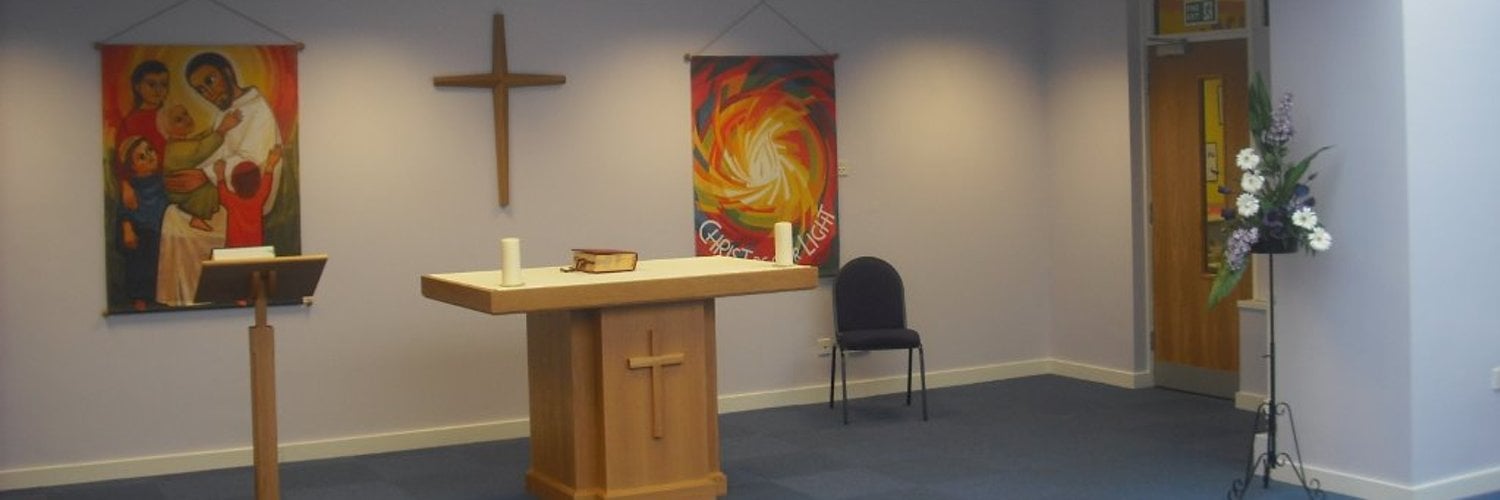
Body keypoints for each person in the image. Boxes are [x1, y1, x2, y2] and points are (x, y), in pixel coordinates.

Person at [156, 51, 283, 306]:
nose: (208, 93)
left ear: (227, 72)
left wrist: (203, 175)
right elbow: (217, 151)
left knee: (176, 220)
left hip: (245, 201)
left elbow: (251, 161)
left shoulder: (257, 109)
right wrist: (191, 173)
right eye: (201, 90)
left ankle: (197, 299)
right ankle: (183, 297)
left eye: (210, 81)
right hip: (223, 192)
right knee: (172, 214)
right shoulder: (224, 112)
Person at [158, 103, 241, 231]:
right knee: (208, 191)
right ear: (168, 130)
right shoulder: (177, 149)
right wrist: (222, 129)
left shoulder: (179, 142)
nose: (186, 119)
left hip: (184, 185)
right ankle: (197, 218)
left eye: (185, 114)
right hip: (181, 191)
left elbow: (199, 139)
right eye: (178, 120)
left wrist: (217, 128)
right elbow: (201, 149)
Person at [115, 136, 169, 312]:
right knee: (140, 255)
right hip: (141, 230)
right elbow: (124, 212)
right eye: (141, 157)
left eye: (150, 150)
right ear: (132, 166)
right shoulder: (131, 187)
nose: (149, 157)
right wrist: (127, 229)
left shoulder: (162, 180)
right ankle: (139, 297)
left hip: (162, 228)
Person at [116, 60, 169, 213]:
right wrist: (125, 186)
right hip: (144, 188)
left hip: (171, 182)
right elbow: (120, 162)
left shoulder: (172, 116)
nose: (158, 90)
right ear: (138, 87)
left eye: (164, 84)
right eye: (151, 84)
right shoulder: (130, 122)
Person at [213, 144, 281, 248]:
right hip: (255, 249)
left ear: (234, 182)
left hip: (233, 249)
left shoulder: (230, 200)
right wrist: (271, 162)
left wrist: (220, 172)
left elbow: (221, 183)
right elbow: (268, 175)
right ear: (257, 182)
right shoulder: (259, 198)